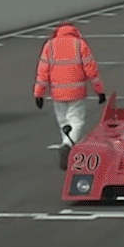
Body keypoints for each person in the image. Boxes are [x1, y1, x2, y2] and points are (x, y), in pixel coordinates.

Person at [33, 22, 106, 169]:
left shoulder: (50, 46)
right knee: (77, 121)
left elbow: (42, 72)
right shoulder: (80, 45)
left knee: (63, 123)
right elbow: (91, 70)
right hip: (76, 92)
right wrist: (99, 91)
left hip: (57, 94)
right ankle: (67, 146)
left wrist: (38, 93)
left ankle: (67, 148)